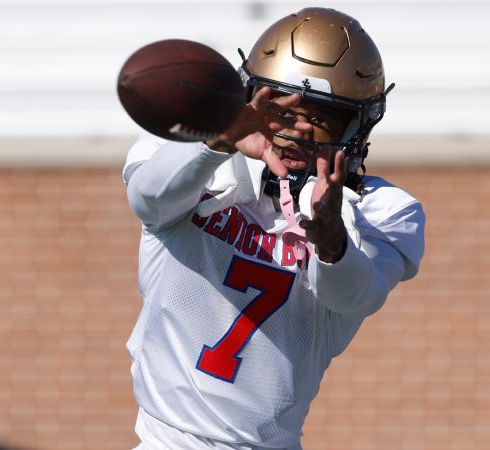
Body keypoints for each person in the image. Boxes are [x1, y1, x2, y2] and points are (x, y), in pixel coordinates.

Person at [122, 7, 425, 449]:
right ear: (250, 99)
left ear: (357, 130)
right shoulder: (199, 155)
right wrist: (215, 144)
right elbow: (148, 200)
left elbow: (354, 295)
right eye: (282, 109)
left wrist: (332, 242)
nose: (298, 129)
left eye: (321, 118)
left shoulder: (377, 211)